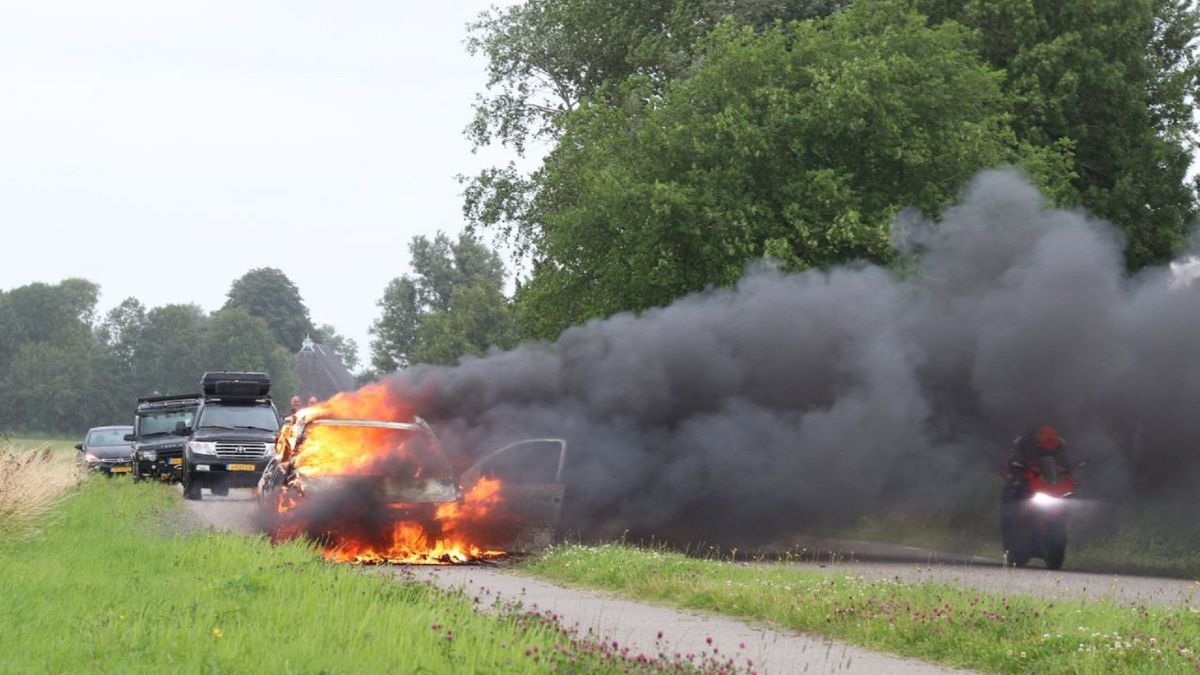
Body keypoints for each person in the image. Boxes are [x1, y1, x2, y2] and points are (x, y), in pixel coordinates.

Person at [1002, 424, 1073, 501]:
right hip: (1029, 487)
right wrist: (1017, 469)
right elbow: (1014, 465)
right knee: (1012, 495)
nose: (1048, 446)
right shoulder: (1027, 452)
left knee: (1068, 497)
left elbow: (1065, 466)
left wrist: (1069, 472)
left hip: (1049, 488)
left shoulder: (1057, 454)